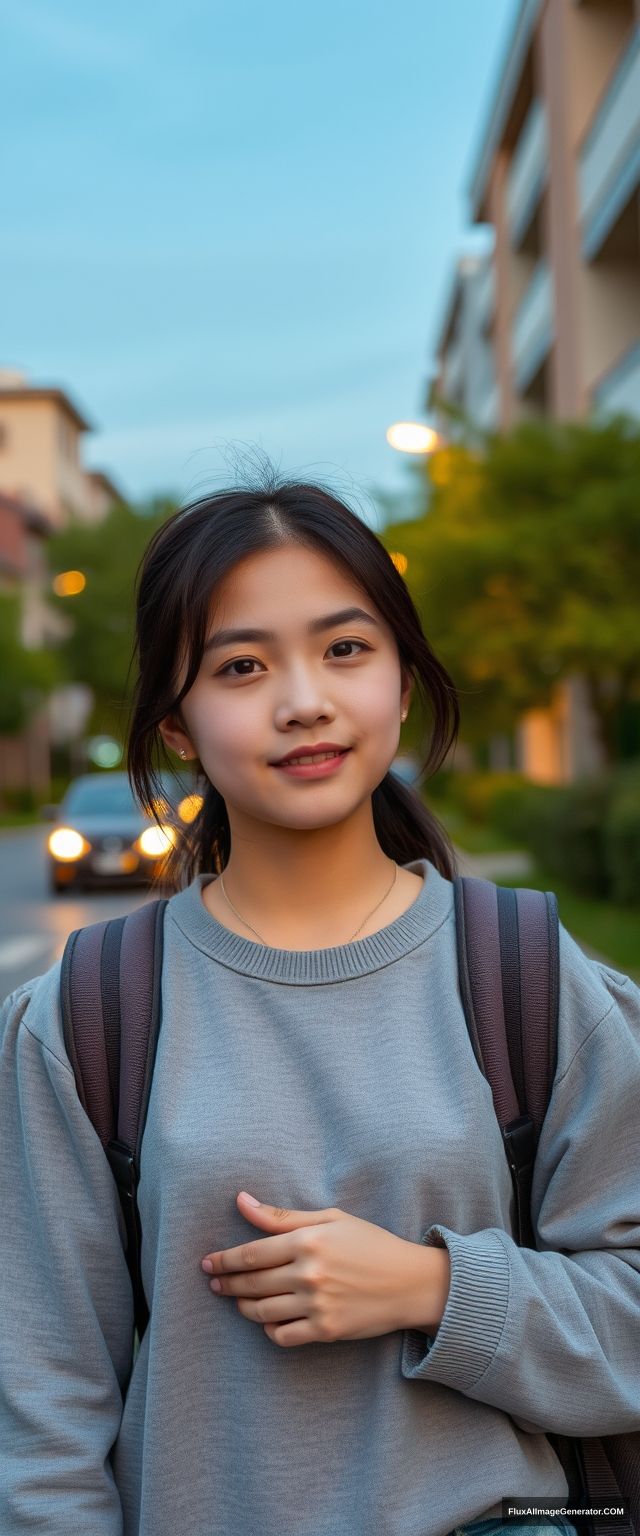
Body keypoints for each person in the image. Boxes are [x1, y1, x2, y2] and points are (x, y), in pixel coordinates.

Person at [1, 469, 639, 1536]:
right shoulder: (88, 1014)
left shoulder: (528, 973)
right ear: (176, 725)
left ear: (399, 678)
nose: (304, 699)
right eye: (242, 666)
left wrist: (433, 1290)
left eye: (345, 649)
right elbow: (42, 1415)